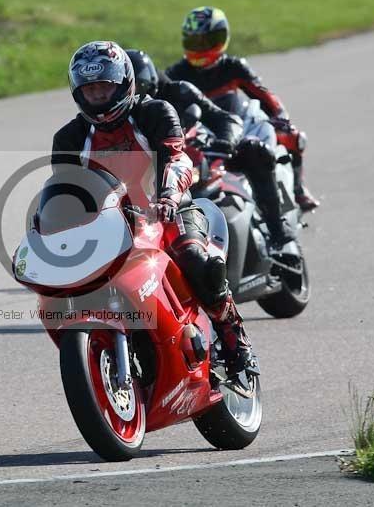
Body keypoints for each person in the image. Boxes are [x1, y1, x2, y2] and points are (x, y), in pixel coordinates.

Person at [51, 41, 251, 376]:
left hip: (171, 211)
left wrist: (168, 197)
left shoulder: (154, 112)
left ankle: (233, 337)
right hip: (113, 226)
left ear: (124, 83)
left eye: (104, 86)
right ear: (78, 92)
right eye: (90, 89)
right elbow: (65, 191)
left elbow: (177, 158)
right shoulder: (69, 138)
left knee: (195, 259)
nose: (98, 95)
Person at [126, 48, 294, 246]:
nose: (134, 96)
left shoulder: (180, 92)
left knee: (256, 152)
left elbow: (226, 119)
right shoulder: (112, 114)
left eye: (137, 88)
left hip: (205, 149)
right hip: (154, 171)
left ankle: (276, 229)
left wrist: (225, 142)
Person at [165, 6, 320, 213]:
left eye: (206, 41)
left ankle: (298, 189)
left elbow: (265, 95)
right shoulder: (175, 73)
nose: (200, 48)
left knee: (293, 136)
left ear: (221, 39)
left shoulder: (234, 66)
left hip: (239, 128)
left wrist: (280, 117)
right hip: (199, 135)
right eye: (195, 42)